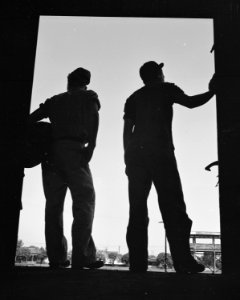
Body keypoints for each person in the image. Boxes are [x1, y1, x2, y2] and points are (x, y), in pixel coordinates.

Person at [123, 61, 216, 273]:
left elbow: (127, 130)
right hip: (161, 153)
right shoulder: (166, 88)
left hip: (136, 156)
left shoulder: (133, 98)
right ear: (159, 74)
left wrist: (127, 158)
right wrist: (212, 92)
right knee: (173, 208)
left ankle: (137, 265)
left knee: (137, 210)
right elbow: (191, 102)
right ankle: (183, 262)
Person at [29, 67, 103, 269]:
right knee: (84, 202)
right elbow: (94, 118)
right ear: (85, 82)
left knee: (53, 207)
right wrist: (92, 146)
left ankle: (57, 258)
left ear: (69, 81)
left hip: (51, 153)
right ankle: (83, 256)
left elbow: (31, 118)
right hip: (74, 151)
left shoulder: (55, 100)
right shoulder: (88, 96)